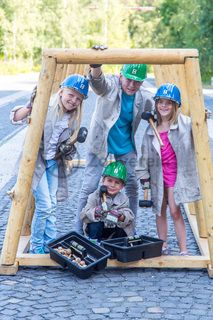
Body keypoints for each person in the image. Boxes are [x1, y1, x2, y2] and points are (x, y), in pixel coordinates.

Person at [10, 74, 89, 254]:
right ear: (61, 91)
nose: (74, 100)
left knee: (51, 205)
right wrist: (31, 105)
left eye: (79, 98)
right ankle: (37, 248)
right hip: (36, 163)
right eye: (71, 94)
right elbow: (15, 117)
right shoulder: (45, 107)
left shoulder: (73, 119)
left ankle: (50, 244)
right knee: (45, 204)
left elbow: (63, 146)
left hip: (53, 164)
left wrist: (68, 148)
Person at [76, 57, 154, 233]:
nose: (132, 85)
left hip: (125, 145)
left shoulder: (142, 96)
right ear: (120, 76)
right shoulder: (110, 86)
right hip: (100, 143)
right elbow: (97, 83)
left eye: (137, 82)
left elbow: (163, 106)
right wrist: (96, 65)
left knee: (133, 185)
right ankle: (78, 230)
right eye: (129, 79)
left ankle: (129, 229)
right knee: (89, 186)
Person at [138, 83, 201, 255]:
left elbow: (197, 125)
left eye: (169, 103)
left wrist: (203, 116)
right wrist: (143, 176)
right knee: (160, 209)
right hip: (158, 175)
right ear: (156, 103)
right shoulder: (151, 129)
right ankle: (163, 244)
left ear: (175, 106)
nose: (164, 106)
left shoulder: (184, 123)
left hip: (175, 175)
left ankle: (183, 249)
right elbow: (144, 156)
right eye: (161, 102)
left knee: (174, 210)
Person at [80, 161, 134, 241]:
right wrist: (95, 212)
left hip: (114, 228)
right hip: (98, 227)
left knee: (123, 229)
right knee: (95, 225)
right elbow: (83, 215)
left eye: (117, 182)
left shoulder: (124, 199)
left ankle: (118, 245)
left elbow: (129, 216)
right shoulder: (94, 196)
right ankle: (95, 245)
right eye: (109, 180)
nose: (112, 185)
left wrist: (121, 216)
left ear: (122, 186)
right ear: (103, 180)